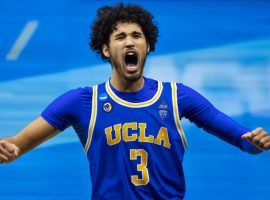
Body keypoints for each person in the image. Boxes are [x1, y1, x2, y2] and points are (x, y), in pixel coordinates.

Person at [0, 2, 269, 200]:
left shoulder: (177, 97)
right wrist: (7, 149)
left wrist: (255, 144)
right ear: (106, 50)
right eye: (120, 37)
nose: (130, 42)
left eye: (136, 36)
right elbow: (16, 145)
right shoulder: (83, 102)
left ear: (148, 46)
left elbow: (243, 141)